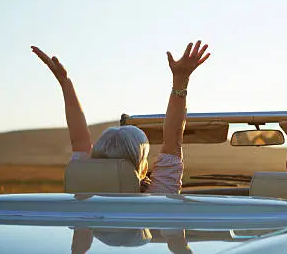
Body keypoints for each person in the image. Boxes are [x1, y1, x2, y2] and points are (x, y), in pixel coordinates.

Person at [31, 40, 210, 194]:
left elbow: (79, 141)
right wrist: (181, 79)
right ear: (142, 169)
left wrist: (65, 84)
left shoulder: (82, 199)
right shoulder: (160, 195)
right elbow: (174, 138)